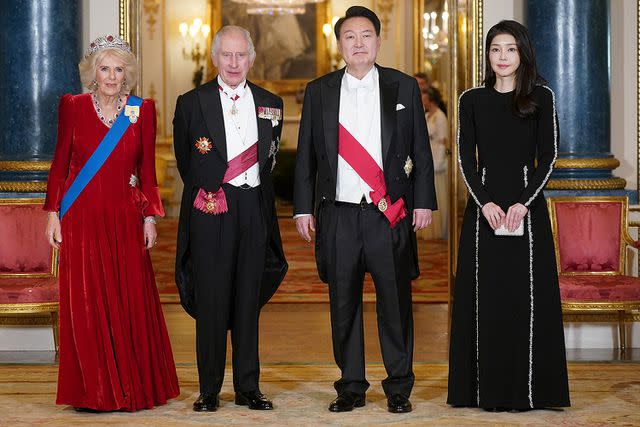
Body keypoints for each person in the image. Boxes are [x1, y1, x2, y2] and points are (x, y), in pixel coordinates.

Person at [294, 6, 437, 414]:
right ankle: (351, 386)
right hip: (338, 214)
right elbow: (306, 157)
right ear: (339, 44)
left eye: (366, 35)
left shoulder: (404, 86)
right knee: (344, 303)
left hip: (387, 212)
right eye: (350, 37)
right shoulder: (319, 90)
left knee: (395, 301)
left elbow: (420, 150)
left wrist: (423, 199)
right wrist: (303, 209)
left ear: (378, 40)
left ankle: (398, 387)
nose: (358, 43)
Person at [44, 34, 179, 411]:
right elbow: (59, 164)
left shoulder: (141, 110)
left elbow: (147, 171)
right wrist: (52, 215)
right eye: (104, 68)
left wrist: (150, 217)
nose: (112, 76)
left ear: (127, 75)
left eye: (119, 70)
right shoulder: (73, 106)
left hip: (124, 216)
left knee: (128, 298)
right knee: (86, 303)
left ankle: (132, 387)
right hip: (81, 217)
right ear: (92, 73)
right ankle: (92, 390)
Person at [447, 20, 570, 411]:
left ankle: (532, 391)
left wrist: (523, 203)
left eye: (511, 49)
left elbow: (548, 158)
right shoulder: (471, 99)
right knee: (487, 299)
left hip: (526, 213)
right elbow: (466, 160)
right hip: (483, 213)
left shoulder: (541, 97)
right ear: (488, 54)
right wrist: (484, 203)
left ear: (523, 54)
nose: (502, 57)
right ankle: (481, 391)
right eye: (496, 49)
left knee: (525, 300)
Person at [173, 25, 287, 412]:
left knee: (246, 301)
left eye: (241, 55)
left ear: (252, 59)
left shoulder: (272, 103)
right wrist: (209, 190)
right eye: (227, 55)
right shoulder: (191, 102)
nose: (234, 62)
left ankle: (248, 387)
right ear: (214, 58)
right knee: (211, 298)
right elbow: (187, 162)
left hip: (253, 209)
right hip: (211, 208)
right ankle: (209, 389)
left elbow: (270, 160)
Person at [419, 86, 449, 240]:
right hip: (427, 155)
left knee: (438, 193)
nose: (422, 99)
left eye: (424, 96)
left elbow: (444, 141)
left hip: (436, 157)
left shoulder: (440, 117)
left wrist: (438, 161)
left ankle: (439, 229)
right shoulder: (426, 115)